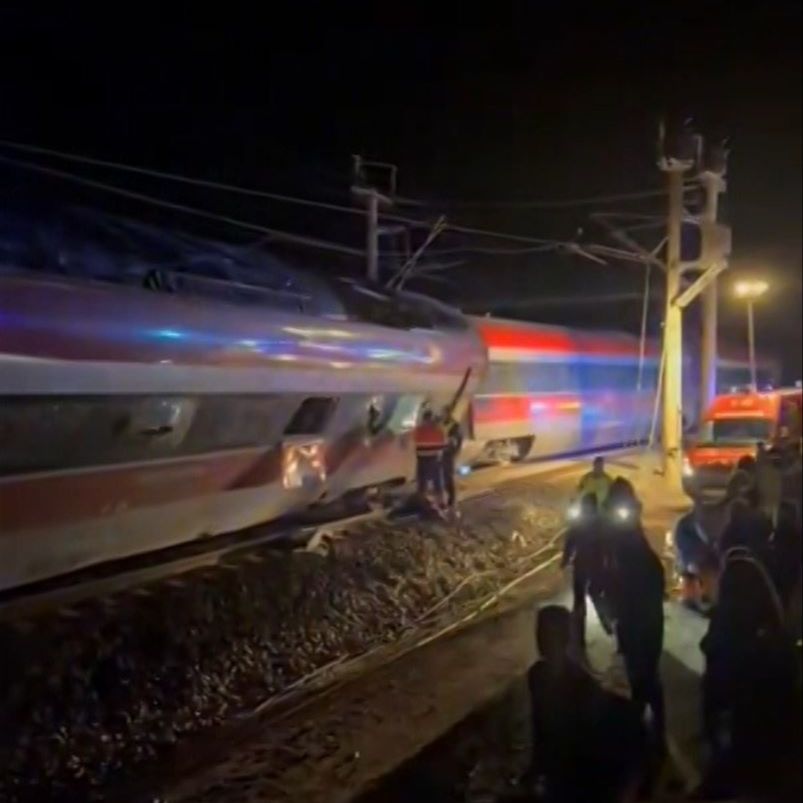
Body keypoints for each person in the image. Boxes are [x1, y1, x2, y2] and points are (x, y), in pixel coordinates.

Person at [526, 605, 647, 802]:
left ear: (565, 639)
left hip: (576, 776)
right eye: (541, 633)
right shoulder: (537, 676)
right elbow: (539, 728)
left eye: (548, 635)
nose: (543, 641)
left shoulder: (579, 685)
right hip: (559, 773)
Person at [607, 480, 666, 751]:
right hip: (632, 618)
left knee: (647, 676)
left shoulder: (638, 551)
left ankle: (653, 734)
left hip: (645, 617)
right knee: (638, 675)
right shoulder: (616, 542)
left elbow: (652, 576)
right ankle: (645, 734)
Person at [562, 493, 609, 645]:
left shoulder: (596, 523)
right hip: (591, 564)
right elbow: (570, 542)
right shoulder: (600, 523)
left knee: (588, 596)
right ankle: (599, 627)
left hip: (590, 564)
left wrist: (566, 559)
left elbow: (570, 543)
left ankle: (602, 626)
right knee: (587, 597)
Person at [413, 407, 447, 507]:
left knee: (422, 482)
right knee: (437, 481)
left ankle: (422, 502)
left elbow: (414, 441)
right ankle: (441, 502)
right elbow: (444, 444)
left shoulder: (419, 430)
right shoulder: (438, 429)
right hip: (434, 458)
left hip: (422, 459)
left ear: (424, 419)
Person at [440, 407, 463, 509]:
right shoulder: (444, 424)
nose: (443, 415)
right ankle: (448, 498)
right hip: (443, 452)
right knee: (445, 477)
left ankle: (452, 499)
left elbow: (457, 440)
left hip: (449, 453)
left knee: (449, 476)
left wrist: (455, 451)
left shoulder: (454, 425)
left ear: (448, 414)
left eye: (444, 413)